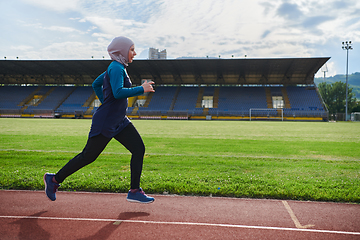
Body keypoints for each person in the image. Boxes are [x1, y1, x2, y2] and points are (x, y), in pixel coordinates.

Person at [44, 36, 155, 203]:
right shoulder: (116, 67)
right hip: (107, 122)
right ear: (122, 50)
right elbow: (118, 92)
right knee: (88, 156)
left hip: (119, 121)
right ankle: (53, 180)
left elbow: (96, 85)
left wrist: (107, 103)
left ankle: (134, 190)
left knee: (138, 149)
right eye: (132, 49)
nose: (135, 53)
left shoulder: (118, 67)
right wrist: (141, 89)